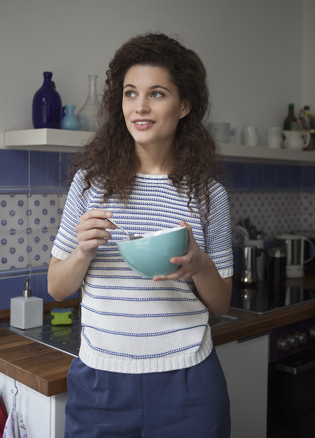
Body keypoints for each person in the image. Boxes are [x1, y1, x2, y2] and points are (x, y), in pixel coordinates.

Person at [48, 32, 233, 438]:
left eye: (157, 94)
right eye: (130, 93)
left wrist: (200, 264)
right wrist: (81, 252)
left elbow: (220, 303)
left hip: (189, 384)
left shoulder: (208, 194)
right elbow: (57, 287)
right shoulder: (89, 184)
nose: (140, 107)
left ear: (184, 106)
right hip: (100, 384)